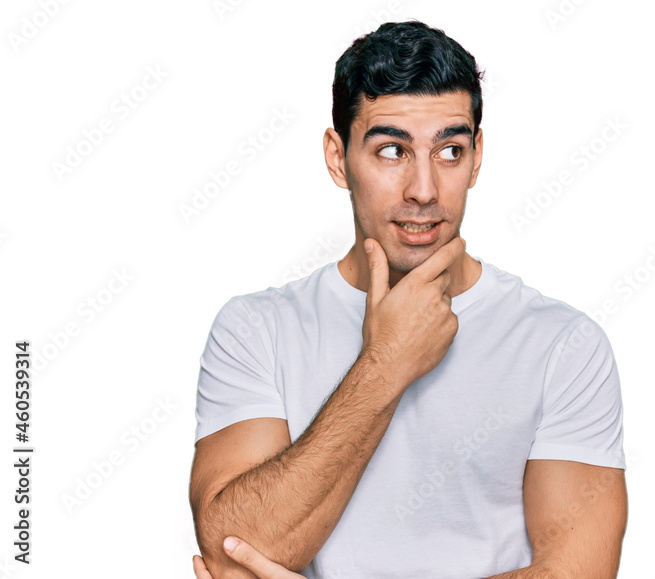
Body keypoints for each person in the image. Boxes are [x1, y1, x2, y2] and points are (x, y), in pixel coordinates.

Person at [188, 19, 627, 579]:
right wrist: (386, 363)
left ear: (477, 156)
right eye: (392, 150)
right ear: (337, 158)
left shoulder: (563, 345)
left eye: (449, 150)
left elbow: (578, 573)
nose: (423, 189)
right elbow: (234, 550)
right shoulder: (256, 330)